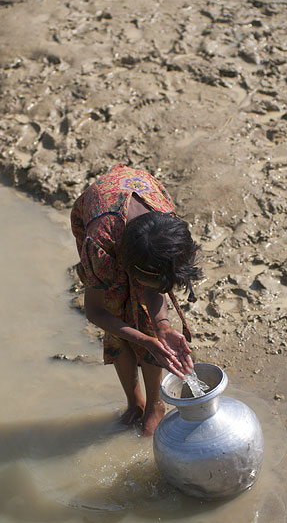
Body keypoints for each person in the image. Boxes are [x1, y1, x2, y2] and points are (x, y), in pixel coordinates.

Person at [71, 163, 202, 436]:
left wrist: (162, 327)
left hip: (139, 191)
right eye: (147, 282)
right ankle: (135, 402)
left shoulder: (168, 230)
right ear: (129, 268)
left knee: (148, 321)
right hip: (99, 211)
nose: (155, 289)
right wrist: (143, 340)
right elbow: (95, 311)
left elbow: (155, 289)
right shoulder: (100, 242)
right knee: (115, 312)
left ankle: (155, 405)